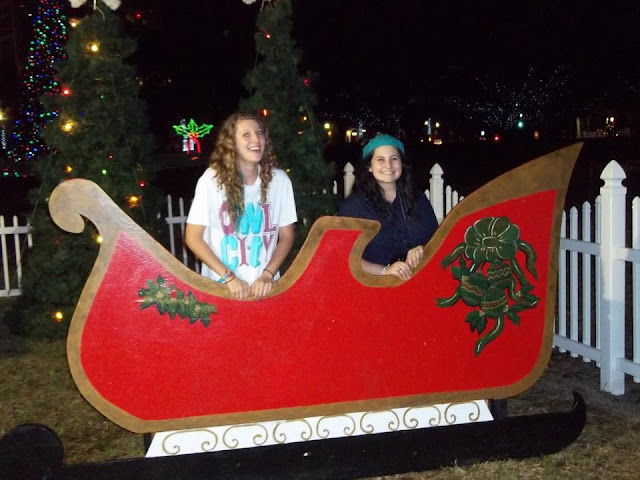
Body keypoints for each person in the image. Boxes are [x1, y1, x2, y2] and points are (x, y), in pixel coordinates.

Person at [185, 112, 297, 299]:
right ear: (232, 143)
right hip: (221, 288)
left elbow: (287, 236)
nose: (256, 139)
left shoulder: (279, 181)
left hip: (265, 289)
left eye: (259, 133)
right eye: (246, 134)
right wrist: (229, 278)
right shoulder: (212, 180)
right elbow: (193, 237)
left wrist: (267, 275)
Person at [337, 133, 438, 281]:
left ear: (401, 163)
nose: (388, 165)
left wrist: (422, 249)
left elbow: (437, 239)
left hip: (417, 281)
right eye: (380, 160)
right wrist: (384, 271)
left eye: (394, 158)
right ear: (369, 166)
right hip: (372, 285)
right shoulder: (353, 207)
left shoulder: (418, 199)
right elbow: (344, 255)